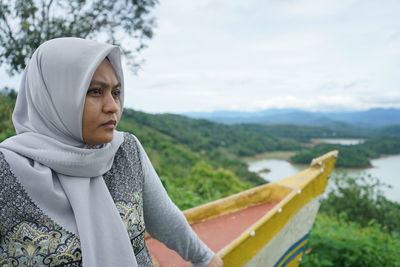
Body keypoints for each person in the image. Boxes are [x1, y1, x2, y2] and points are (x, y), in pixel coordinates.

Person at [0, 37, 223, 267]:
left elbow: (166, 219)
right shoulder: (6, 170)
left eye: (116, 92)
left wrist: (205, 258)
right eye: (96, 91)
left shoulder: (125, 150)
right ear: (53, 96)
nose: (113, 106)